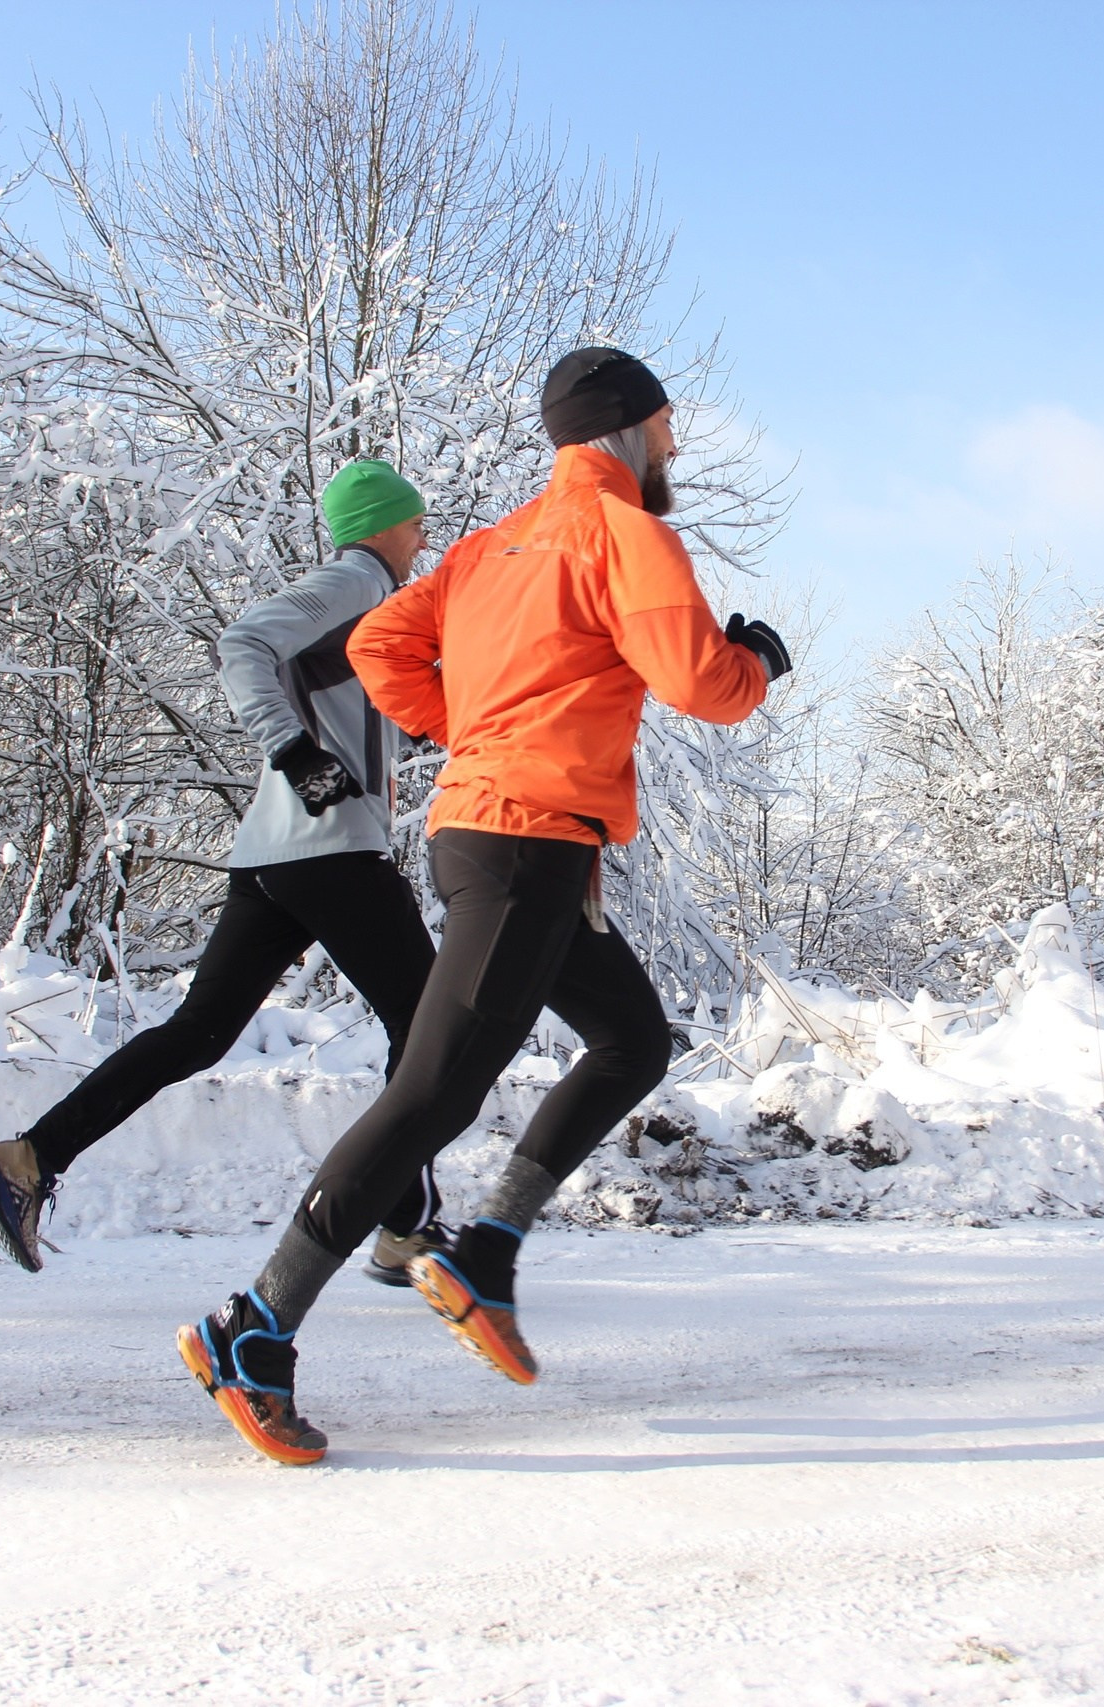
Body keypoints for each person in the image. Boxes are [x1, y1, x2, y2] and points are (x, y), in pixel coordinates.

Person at [176, 347, 792, 1466]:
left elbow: (378, 644)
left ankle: (486, 1250)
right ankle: (252, 1326)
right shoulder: (625, 535)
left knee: (631, 1039)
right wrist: (751, 660)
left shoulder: (488, 546)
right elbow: (700, 684)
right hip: (523, 844)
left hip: (497, 835)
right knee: (433, 1093)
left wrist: (468, 726)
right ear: (628, 427)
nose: (674, 443)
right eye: (666, 425)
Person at [0, 459, 451, 1294]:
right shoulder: (358, 581)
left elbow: (362, 721)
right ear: (379, 524)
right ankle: (402, 1222)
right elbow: (242, 643)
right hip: (331, 849)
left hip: (274, 856)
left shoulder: (368, 609)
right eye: (413, 523)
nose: (422, 538)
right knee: (430, 1022)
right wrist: (293, 750)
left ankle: (28, 1157)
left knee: (198, 1032)